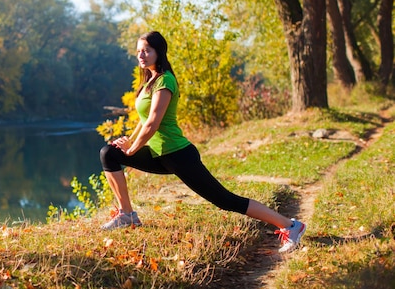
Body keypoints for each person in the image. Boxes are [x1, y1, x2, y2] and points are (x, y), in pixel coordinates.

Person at [99, 31, 306, 253]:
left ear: (159, 52)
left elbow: (153, 123)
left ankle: (291, 225)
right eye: (139, 51)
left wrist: (132, 149)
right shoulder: (149, 80)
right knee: (109, 153)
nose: (142, 55)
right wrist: (129, 141)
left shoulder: (165, 80)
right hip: (159, 154)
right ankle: (127, 215)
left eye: (147, 50)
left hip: (178, 155)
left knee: (225, 200)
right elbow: (143, 119)